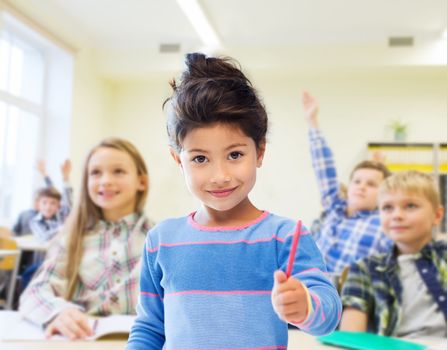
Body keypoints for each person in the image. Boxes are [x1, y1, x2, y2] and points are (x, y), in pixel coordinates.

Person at [126, 53, 341, 350]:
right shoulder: (161, 241)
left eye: (235, 155)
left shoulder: (285, 237)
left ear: (260, 152)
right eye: (200, 158)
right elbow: (150, 329)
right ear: (178, 160)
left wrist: (305, 305)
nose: (220, 175)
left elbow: (327, 315)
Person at [19, 138, 151, 340]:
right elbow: (35, 292)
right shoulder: (71, 238)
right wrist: (57, 312)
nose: (105, 180)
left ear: (141, 182)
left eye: (118, 171)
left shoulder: (160, 238)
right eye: (96, 172)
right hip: (82, 341)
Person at [340, 171, 446, 337]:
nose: (397, 215)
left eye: (410, 206)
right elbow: (350, 338)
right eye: (387, 207)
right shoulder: (364, 270)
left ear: (437, 215)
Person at [302, 91, 392, 274]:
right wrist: (312, 122)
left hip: (353, 298)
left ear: (384, 194)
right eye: (357, 181)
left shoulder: (384, 224)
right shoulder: (335, 208)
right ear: (349, 187)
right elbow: (323, 167)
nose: (362, 186)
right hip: (315, 293)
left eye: (371, 184)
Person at [29, 159, 73, 242]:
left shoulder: (61, 215)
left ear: (58, 206)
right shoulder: (35, 221)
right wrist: (65, 228)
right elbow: (45, 237)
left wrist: (66, 178)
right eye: (44, 203)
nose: (48, 207)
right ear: (38, 205)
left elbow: (66, 199)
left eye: (53, 204)